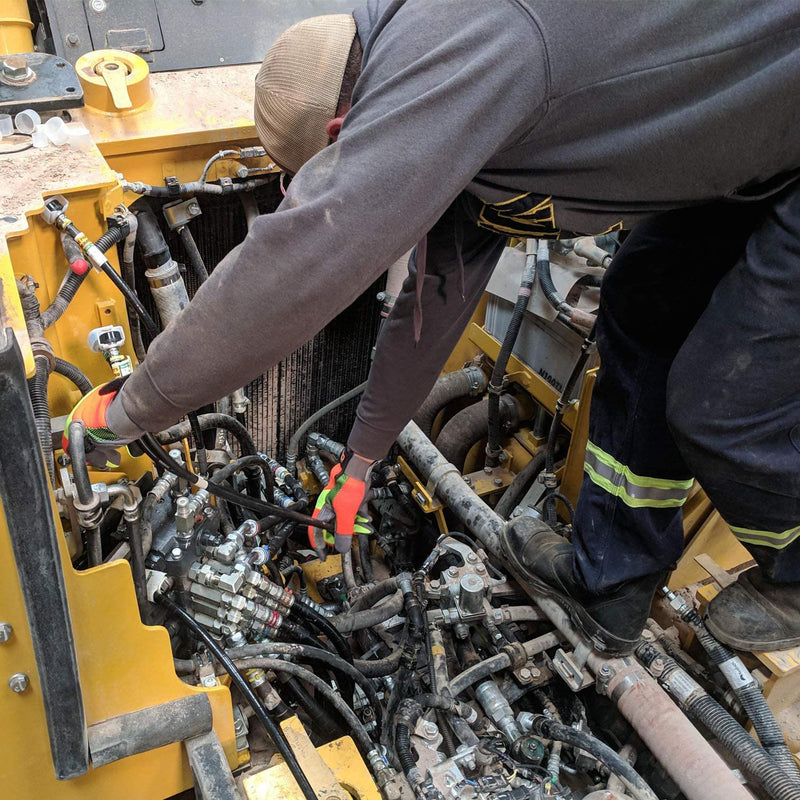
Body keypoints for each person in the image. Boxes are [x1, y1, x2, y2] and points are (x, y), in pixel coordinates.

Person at [65, 1, 800, 655]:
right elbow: (431, 302)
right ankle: (613, 584)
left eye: (334, 162)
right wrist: (360, 462)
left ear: (343, 128)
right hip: (745, 153)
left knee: (721, 403)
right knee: (640, 307)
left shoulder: (466, 41)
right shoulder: (455, 98)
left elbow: (310, 248)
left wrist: (135, 407)